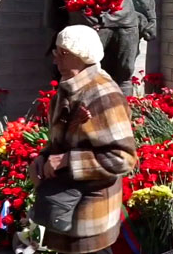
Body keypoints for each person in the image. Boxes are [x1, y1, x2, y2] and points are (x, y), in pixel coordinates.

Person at [30, 25, 137, 254]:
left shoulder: (103, 94)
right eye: (57, 51)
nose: (55, 57)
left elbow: (123, 159)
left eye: (62, 52)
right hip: (68, 203)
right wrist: (43, 157)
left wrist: (69, 161)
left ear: (81, 55)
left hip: (90, 208)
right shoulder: (68, 89)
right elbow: (61, 141)